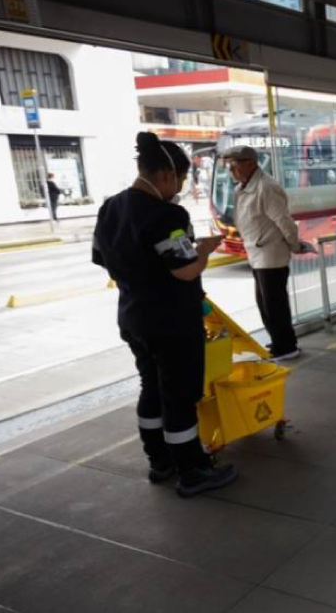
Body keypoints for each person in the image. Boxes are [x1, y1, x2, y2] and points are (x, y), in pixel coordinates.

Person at [92, 132, 238, 498]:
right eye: (182, 180)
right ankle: (192, 470)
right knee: (179, 396)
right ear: (166, 176)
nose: (180, 188)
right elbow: (184, 270)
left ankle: (160, 461)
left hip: (134, 318)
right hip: (173, 322)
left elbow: (102, 259)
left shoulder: (110, 207)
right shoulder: (169, 213)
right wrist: (203, 250)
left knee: (151, 388)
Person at [223, 146, 311, 362]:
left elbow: (284, 221)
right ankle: (279, 341)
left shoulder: (266, 187)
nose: (231, 170)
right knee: (265, 303)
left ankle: (287, 347)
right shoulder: (242, 187)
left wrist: (295, 245)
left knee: (275, 305)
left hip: (271, 253)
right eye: (229, 166)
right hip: (256, 252)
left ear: (250, 163)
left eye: (234, 165)